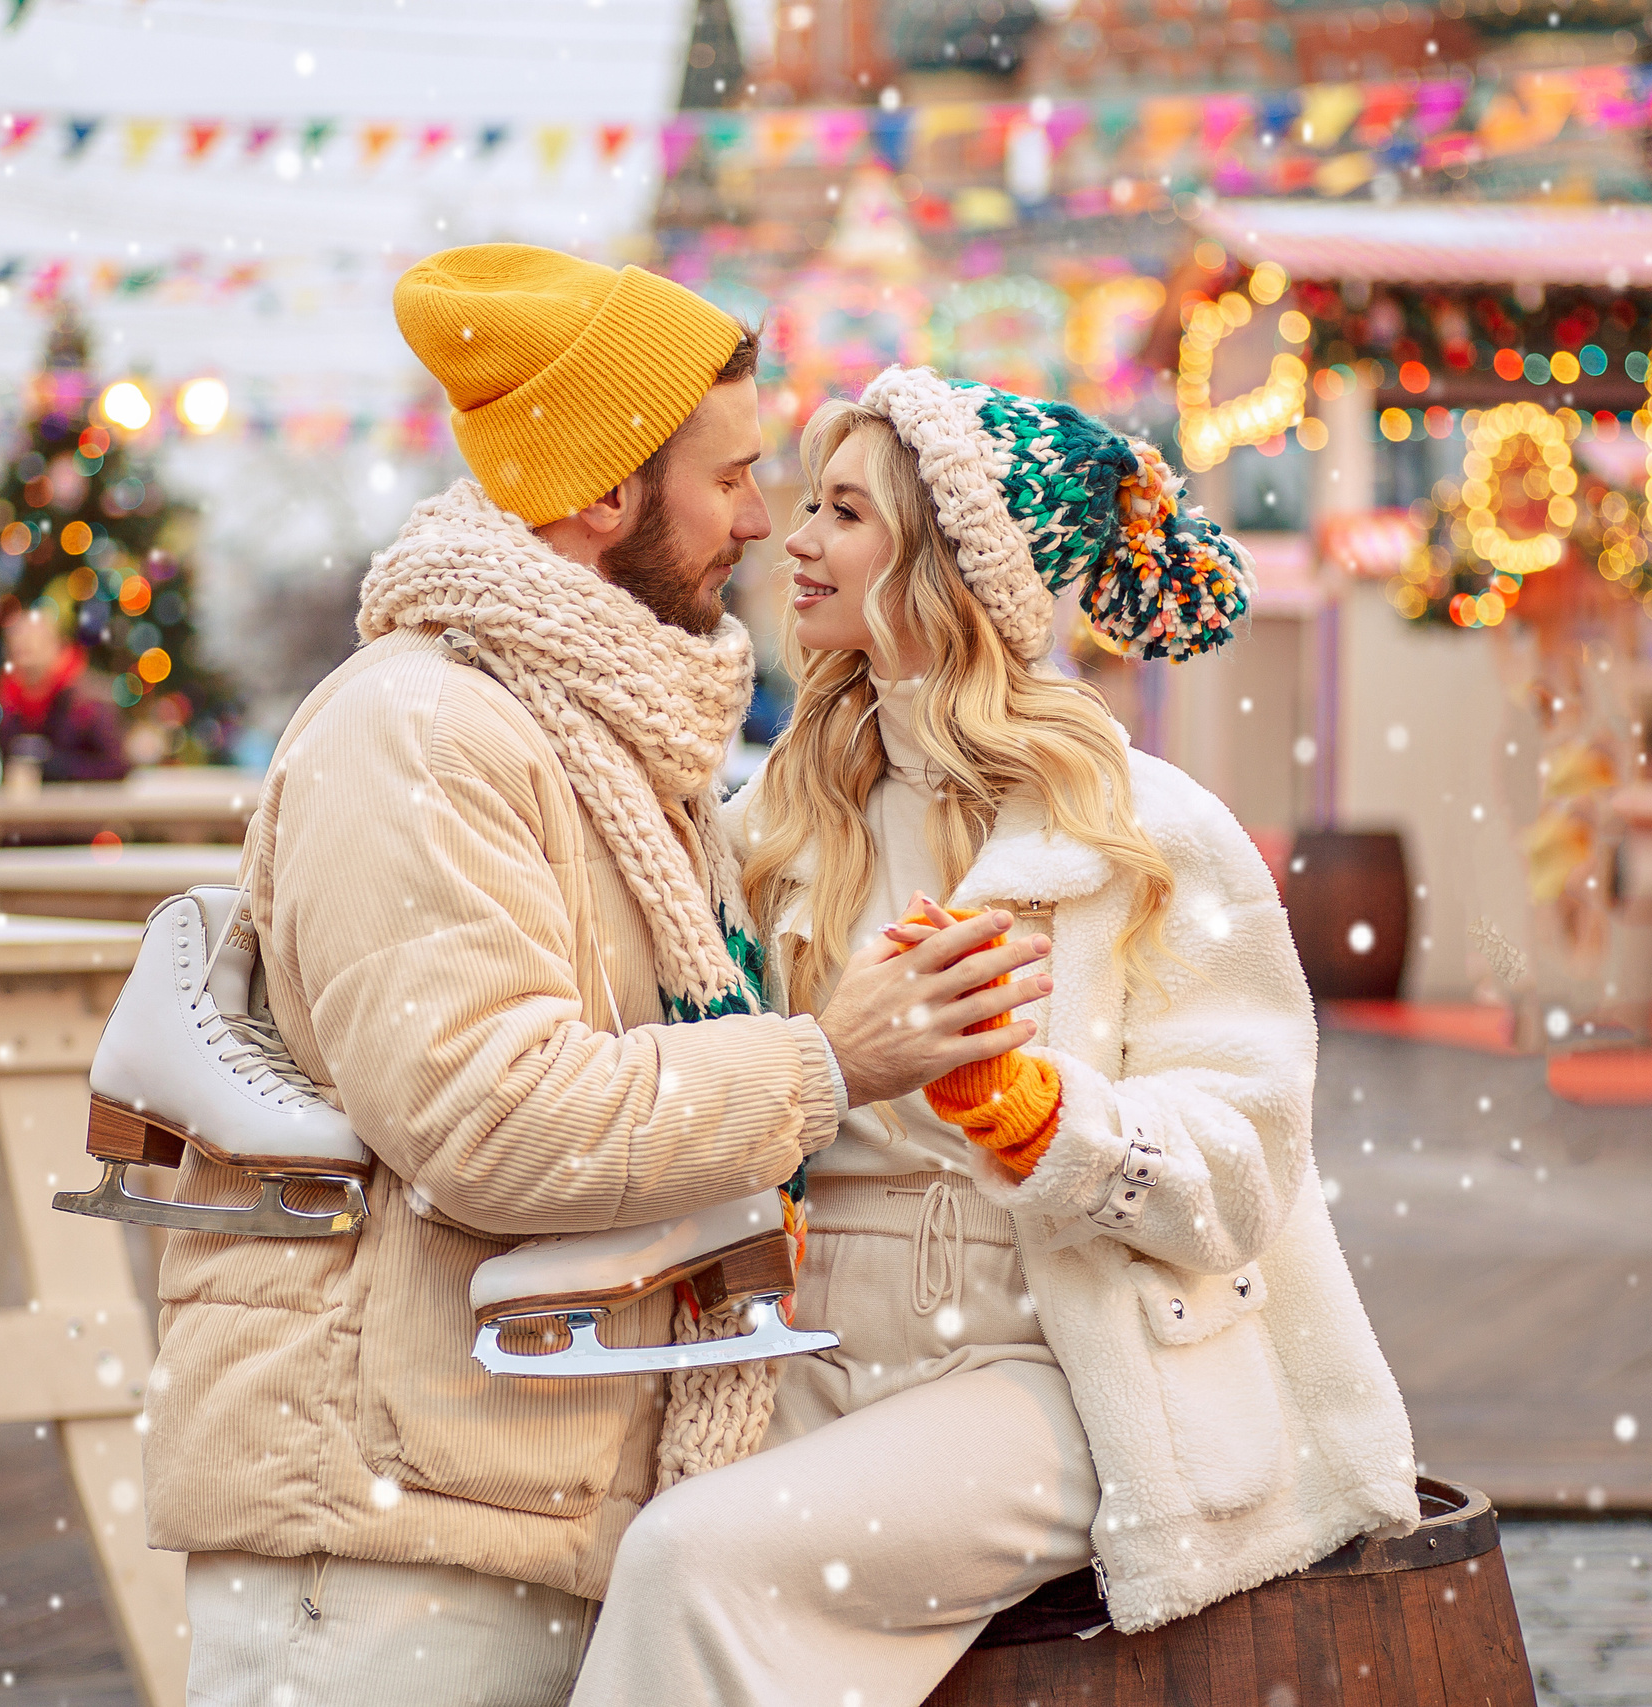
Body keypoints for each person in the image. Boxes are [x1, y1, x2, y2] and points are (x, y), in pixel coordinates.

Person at [144, 247, 1043, 1706]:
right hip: (390, 1546)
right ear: (602, 493)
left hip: (509, 1497)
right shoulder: (428, 730)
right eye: (733, 479)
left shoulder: (609, 737)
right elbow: (490, 1116)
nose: (761, 523)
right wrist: (825, 1062)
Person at [567, 369, 1422, 1707]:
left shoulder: (1144, 831)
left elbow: (1244, 1166)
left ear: (953, 563)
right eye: (803, 502)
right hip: (793, 1349)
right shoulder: (775, 825)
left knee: (692, 1560)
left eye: (843, 511)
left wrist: (1032, 1106)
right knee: (590, 1552)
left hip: (1048, 1366)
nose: (793, 539)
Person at [0, 597, 130, 782]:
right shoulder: (10, 704)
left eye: (33, 645)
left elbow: (117, 766)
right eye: (18, 648)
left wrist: (60, 768)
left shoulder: (87, 700)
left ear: (55, 645)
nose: (25, 656)